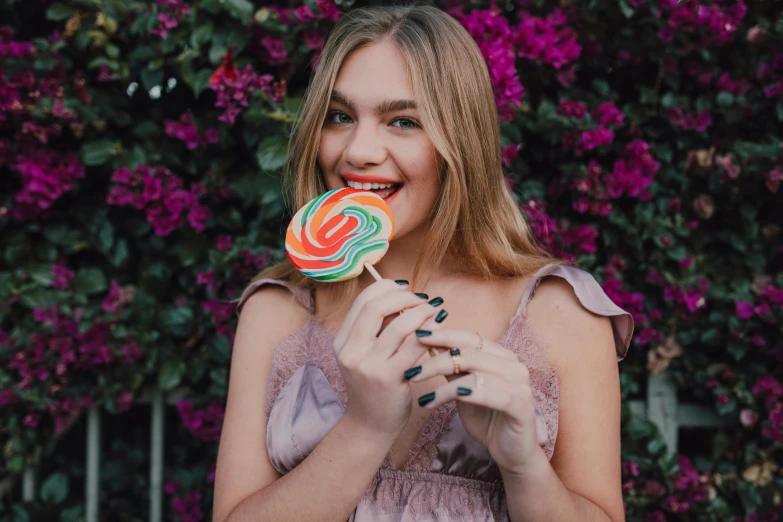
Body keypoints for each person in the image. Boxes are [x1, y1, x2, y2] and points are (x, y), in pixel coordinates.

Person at [212, 4, 634, 522]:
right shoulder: (277, 312)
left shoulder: (561, 313)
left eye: (403, 121)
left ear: (461, 141)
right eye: (340, 116)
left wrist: (524, 466)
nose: (359, 151)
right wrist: (364, 428)